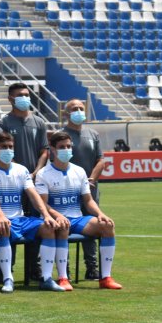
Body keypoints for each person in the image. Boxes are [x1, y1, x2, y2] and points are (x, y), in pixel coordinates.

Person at [0, 131, 70, 293]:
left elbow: (33, 195)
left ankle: (46, 278)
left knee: (49, 227)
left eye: (10, 147)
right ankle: (8, 279)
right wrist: (0, 216)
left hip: (21, 219)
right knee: (3, 226)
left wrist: (47, 215)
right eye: (3, 147)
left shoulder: (21, 170)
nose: (8, 150)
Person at [35, 131, 122, 290]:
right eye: (62, 147)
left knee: (107, 226)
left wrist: (100, 214)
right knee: (63, 226)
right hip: (55, 220)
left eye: (69, 146)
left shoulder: (79, 171)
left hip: (77, 218)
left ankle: (106, 278)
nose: (67, 150)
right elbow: (42, 203)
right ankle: (63, 278)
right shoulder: (43, 174)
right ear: (53, 149)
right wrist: (58, 215)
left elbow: (88, 201)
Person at [62, 98, 106, 279]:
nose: (79, 111)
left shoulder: (93, 134)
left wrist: (90, 180)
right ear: (66, 113)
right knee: (63, 228)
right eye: (74, 108)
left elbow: (101, 160)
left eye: (81, 108)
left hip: (90, 191)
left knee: (92, 226)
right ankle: (66, 270)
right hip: (66, 192)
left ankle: (92, 267)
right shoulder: (61, 135)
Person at [0, 82, 48, 177]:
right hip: (12, 176)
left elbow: (44, 151)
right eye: (20, 95)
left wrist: (36, 173)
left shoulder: (39, 122)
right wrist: (20, 172)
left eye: (26, 95)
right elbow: (1, 151)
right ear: (10, 99)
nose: (24, 98)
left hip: (36, 176)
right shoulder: (3, 123)